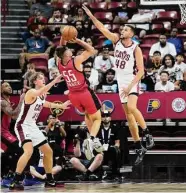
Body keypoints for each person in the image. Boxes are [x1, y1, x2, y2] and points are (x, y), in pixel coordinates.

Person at [83, 5, 154, 165]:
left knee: (133, 108)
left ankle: (147, 133)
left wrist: (130, 87)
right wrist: (91, 16)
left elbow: (141, 71)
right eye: (121, 30)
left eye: (125, 30)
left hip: (132, 79)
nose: (122, 32)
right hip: (120, 80)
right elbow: (101, 28)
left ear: (132, 34)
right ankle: (138, 145)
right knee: (128, 116)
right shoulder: (116, 41)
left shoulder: (136, 48)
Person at [9, 72, 71, 190]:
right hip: (23, 125)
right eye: (41, 79)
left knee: (48, 151)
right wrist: (53, 82)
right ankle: (15, 181)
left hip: (32, 126)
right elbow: (40, 92)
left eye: (44, 78)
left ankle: (49, 180)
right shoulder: (31, 92)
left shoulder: (43, 95)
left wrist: (60, 106)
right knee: (29, 151)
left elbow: (44, 103)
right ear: (34, 81)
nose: (43, 80)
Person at [56, 37, 103, 161]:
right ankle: (91, 140)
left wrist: (63, 36)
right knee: (98, 118)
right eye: (68, 50)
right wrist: (77, 40)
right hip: (84, 93)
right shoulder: (76, 61)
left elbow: (60, 48)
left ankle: (93, 137)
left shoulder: (58, 62)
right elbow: (92, 50)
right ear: (66, 55)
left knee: (87, 115)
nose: (70, 50)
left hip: (73, 95)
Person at [1, 82, 25, 184]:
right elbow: (14, 116)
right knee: (19, 150)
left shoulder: (7, 101)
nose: (9, 87)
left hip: (5, 131)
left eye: (10, 85)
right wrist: (21, 100)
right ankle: (10, 175)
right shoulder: (3, 102)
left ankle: (5, 175)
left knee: (9, 153)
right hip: (2, 132)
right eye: (6, 86)